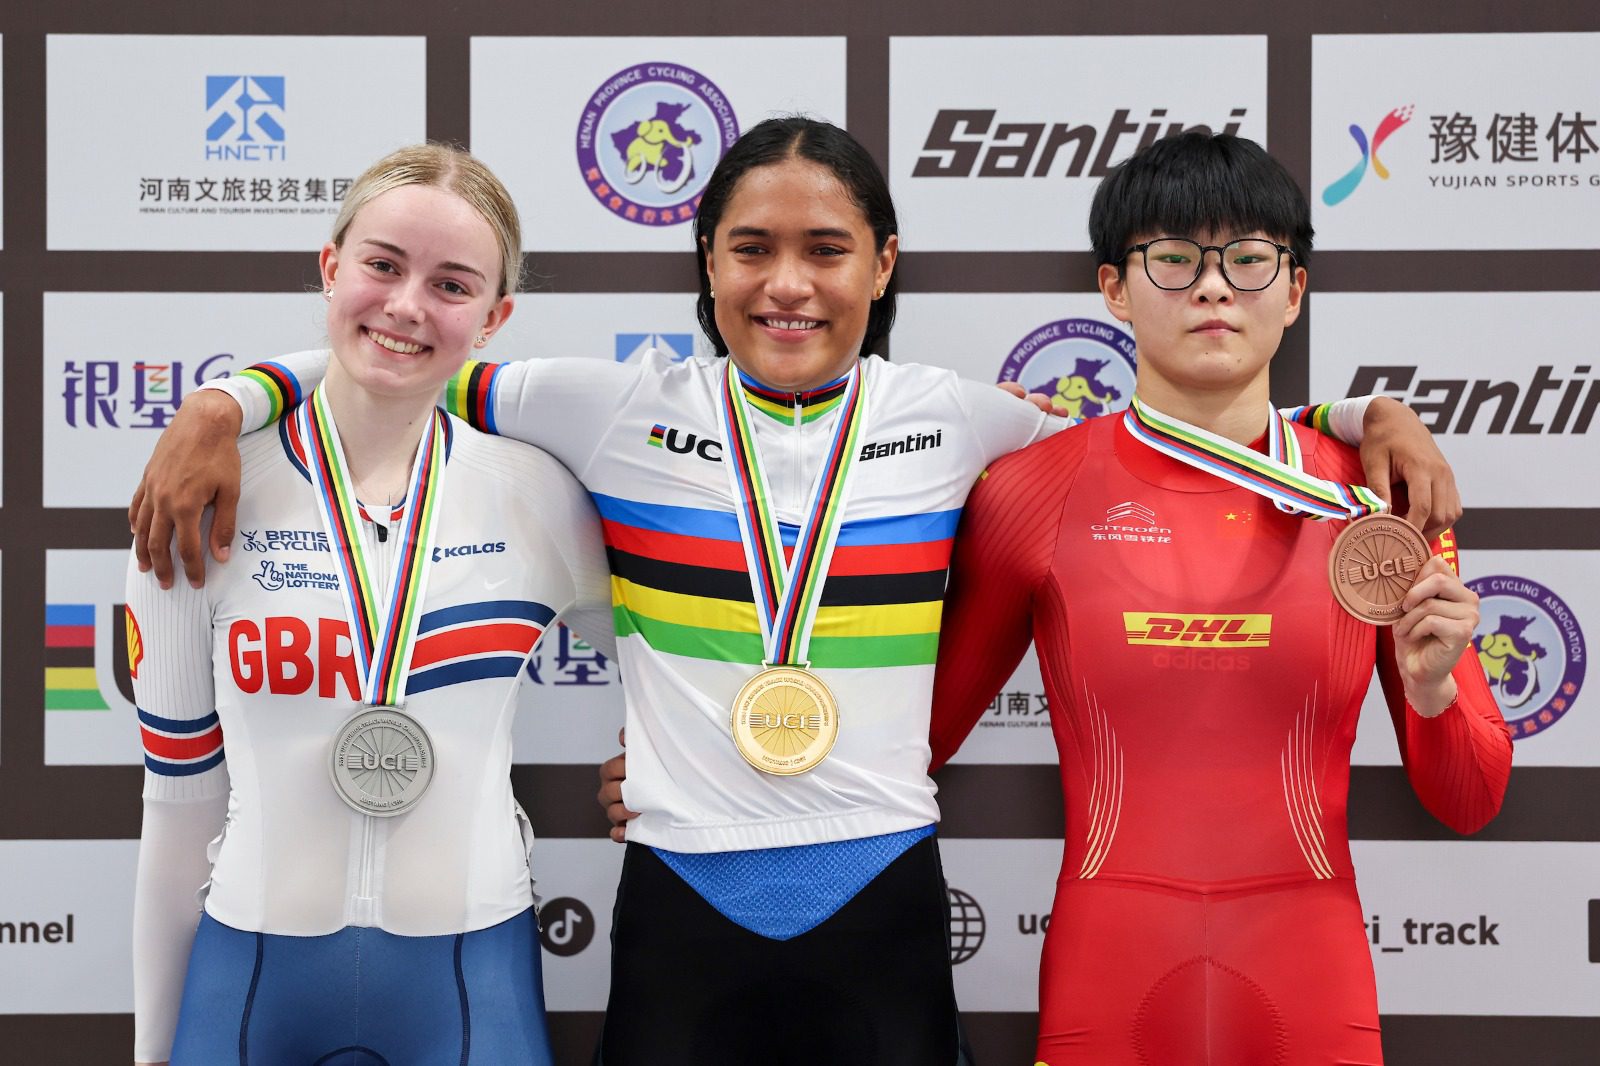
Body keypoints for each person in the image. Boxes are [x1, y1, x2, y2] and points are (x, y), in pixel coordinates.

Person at [129, 118, 1458, 1066]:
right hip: (677, 909)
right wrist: (227, 396)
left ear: (882, 267)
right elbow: (399, 354)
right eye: (750, 246)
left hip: (880, 902)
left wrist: (1366, 410)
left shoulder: (967, 422)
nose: (787, 282)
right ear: (704, 263)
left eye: (827, 248)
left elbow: (1170, 428)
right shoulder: (600, 408)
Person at [925, 132, 1513, 1065]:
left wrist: (1435, 694)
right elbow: (913, 744)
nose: (1212, 288)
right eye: (1173, 258)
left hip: (1308, 964)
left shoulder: (1381, 500)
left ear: (1294, 289)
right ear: (1114, 288)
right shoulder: (1030, 493)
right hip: (1108, 966)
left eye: (1247, 258)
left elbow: (1472, 799)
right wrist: (695, 775)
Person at [128, 144, 613, 1066]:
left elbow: (685, 662)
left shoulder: (538, 496)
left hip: (477, 980)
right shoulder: (200, 491)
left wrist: (682, 772)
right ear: (331, 265)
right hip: (251, 980)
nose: (404, 305)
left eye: (452, 284)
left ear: (495, 316)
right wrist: (152, 1049)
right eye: (383, 265)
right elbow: (177, 804)